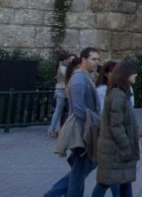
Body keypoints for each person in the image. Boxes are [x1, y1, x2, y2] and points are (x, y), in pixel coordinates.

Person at [44, 46, 101, 197]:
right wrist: (90, 129)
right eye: (93, 59)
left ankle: (54, 193)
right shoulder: (79, 78)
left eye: (98, 59)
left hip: (85, 130)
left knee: (82, 168)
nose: (96, 62)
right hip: (82, 132)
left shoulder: (85, 76)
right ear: (84, 59)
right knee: (80, 169)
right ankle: (55, 192)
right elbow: (78, 108)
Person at [90, 59, 140, 197]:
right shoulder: (118, 95)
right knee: (106, 182)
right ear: (126, 74)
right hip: (115, 150)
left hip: (117, 150)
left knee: (123, 181)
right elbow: (116, 126)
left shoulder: (121, 94)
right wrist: (127, 147)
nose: (136, 75)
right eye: (134, 73)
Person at [48, 53, 76, 138]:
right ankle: (54, 130)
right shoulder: (64, 68)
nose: (72, 61)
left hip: (60, 89)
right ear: (67, 59)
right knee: (61, 110)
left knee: (59, 110)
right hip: (62, 90)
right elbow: (63, 80)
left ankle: (54, 129)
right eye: (71, 59)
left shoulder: (62, 67)